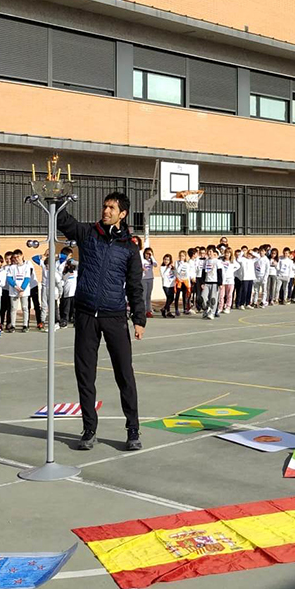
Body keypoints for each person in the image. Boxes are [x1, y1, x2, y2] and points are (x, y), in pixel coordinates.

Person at [57, 191, 146, 452]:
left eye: (111, 208)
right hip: (85, 315)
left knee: (125, 375)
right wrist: (57, 198)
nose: (105, 211)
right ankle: (89, 429)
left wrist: (138, 319)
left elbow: (135, 286)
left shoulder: (129, 247)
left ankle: (132, 429)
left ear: (123, 214)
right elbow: (63, 221)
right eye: (104, 206)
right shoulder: (88, 233)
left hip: (115, 316)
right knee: (85, 375)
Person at [141, 247, 157, 318]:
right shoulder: (143, 260)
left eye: (149, 254)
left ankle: (148, 311)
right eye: (147, 253)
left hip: (150, 278)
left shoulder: (151, 261)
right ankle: (143, 311)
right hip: (143, 279)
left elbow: (155, 264)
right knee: (143, 295)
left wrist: (152, 257)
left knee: (148, 295)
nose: (148, 255)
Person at [159, 253, 176, 318]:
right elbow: (164, 276)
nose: (166, 261)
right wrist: (168, 268)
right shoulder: (162, 267)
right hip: (166, 285)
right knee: (169, 298)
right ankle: (165, 309)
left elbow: (175, 275)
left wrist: (173, 269)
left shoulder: (172, 268)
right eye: (165, 259)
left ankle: (166, 310)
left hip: (171, 284)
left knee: (171, 298)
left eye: (168, 260)